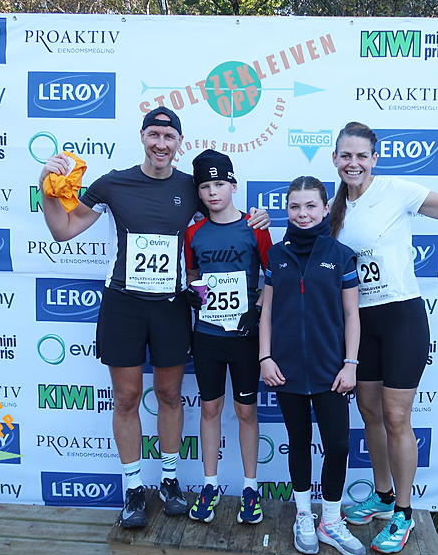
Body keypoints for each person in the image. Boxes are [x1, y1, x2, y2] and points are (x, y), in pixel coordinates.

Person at [36, 107, 269, 528]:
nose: (161, 144)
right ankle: (132, 488)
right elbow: (63, 230)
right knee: (126, 398)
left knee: (169, 395)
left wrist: (259, 221)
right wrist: (46, 188)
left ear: (179, 142)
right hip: (124, 305)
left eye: (169, 137)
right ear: (143, 136)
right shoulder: (112, 183)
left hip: (171, 306)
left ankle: (169, 480)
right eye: (154, 135)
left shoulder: (190, 187)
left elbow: (225, 217)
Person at [331, 122, 438, 553]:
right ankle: (382, 495)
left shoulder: (396, 190)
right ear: (335, 159)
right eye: (346, 155)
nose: (354, 163)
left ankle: (404, 512)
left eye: (361, 156)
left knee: (396, 416)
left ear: (374, 159)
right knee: (370, 412)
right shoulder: (335, 208)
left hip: (401, 318)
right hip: (361, 323)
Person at [259, 176, 364, 555]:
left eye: (310, 206)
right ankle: (303, 515)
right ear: (287, 209)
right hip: (285, 371)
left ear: (325, 208)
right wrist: (265, 357)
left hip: (331, 371)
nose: (302, 214)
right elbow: (267, 311)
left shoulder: (341, 255)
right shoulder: (276, 255)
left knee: (337, 446)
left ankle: (330, 521)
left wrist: (350, 363)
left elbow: (351, 314)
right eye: (295, 206)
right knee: (299, 443)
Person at [184, 149, 271, 524]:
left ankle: (251, 488)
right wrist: (193, 293)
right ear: (198, 192)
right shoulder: (193, 233)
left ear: (233, 186)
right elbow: (191, 274)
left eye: (219, 184)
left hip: (244, 336)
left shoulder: (256, 227)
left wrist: (257, 309)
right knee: (209, 409)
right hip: (207, 334)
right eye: (205, 186)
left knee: (246, 411)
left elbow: (274, 275)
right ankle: (210, 485)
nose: (213, 192)